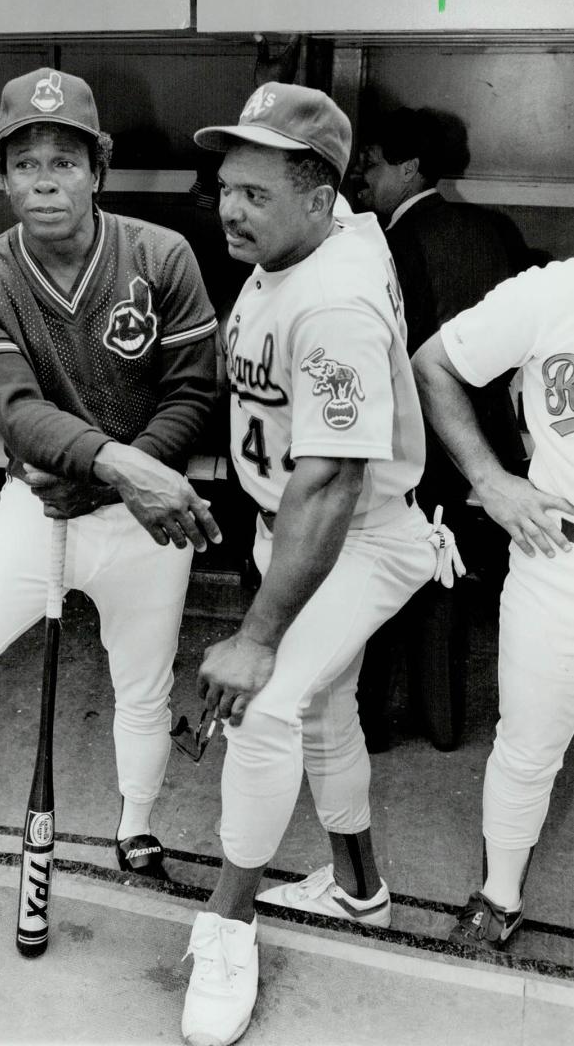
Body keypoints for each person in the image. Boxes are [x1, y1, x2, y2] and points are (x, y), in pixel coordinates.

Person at [0, 67, 222, 895]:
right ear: (2, 175)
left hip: (144, 523)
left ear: (97, 169)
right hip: (35, 510)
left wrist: (129, 479)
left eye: (65, 161)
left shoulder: (161, 254)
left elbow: (193, 387)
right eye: (25, 163)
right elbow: (16, 412)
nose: (45, 181)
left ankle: (136, 825)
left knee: (142, 690)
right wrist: (115, 466)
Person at [180, 82, 454, 1046]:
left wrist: (257, 637)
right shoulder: (314, 239)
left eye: (255, 191)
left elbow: (331, 486)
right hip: (290, 526)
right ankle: (359, 889)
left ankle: (226, 925)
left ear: (316, 189)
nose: (230, 207)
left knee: (264, 704)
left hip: (359, 536)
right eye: (225, 185)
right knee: (324, 707)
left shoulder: (333, 298)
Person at [354, 107, 538, 751]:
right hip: (485, 443)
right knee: (446, 582)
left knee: (379, 579)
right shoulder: (492, 230)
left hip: (410, 444)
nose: (364, 176)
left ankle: (371, 724)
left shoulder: (383, 243)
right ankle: (442, 724)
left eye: (374, 163)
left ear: (410, 168)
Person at [412, 261, 574, 951]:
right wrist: (489, 478)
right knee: (528, 741)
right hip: (560, 552)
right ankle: (498, 896)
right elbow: (432, 365)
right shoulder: (553, 290)